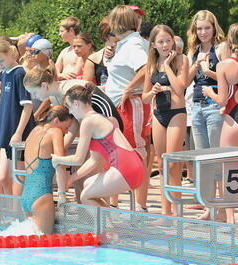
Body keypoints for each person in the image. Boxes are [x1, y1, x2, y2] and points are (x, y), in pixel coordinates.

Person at [52, 84, 144, 207]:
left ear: (76, 103)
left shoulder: (88, 121)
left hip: (125, 170)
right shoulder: (101, 117)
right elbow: (94, 161)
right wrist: (72, 179)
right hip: (134, 167)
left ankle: (105, 226)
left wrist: (56, 159)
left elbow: (78, 159)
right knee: (87, 184)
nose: (70, 112)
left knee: (85, 196)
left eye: (69, 107)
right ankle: (107, 223)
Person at [106, 5, 150, 211]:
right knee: (123, 153)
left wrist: (128, 89)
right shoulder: (125, 43)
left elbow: (145, 68)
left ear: (118, 23)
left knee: (136, 152)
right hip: (120, 106)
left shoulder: (133, 44)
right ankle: (131, 204)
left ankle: (139, 206)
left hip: (130, 105)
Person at [142, 25, 188, 216]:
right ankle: (165, 212)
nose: (165, 45)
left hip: (176, 113)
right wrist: (152, 92)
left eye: (168, 41)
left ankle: (177, 211)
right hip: (159, 114)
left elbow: (180, 88)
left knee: (173, 163)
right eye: (160, 42)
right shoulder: (150, 65)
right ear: (153, 44)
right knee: (161, 164)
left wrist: (168, 66)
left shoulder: (181, 60)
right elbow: (144, 97)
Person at [186, 10, 227, 220]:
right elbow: (185, 81)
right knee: (203, 160)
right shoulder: (193, 50)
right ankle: (209, 206)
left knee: (217, 158)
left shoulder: (221, 48)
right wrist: (195, 65)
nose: (203, 32)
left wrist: (207, 69)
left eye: (206, 28)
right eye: (199, 28)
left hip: (214, 106)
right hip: (197, 106)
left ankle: (221, 206)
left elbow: (228, 78)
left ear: (214, 28)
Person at [201, 23, 238, 223]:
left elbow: (222, 100)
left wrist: (209, 92)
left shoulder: (225, 66)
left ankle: (230, 217)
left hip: (233, 119)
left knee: (229, 169)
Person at [0, 39, 35, 195]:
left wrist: (19, 133)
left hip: (18, 131)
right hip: (6, 129)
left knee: (19, 175)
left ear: (10, 53)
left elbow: (27, 106)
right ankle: (10, 210)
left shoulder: (19, 73)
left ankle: (18, 212)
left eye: (1, 60)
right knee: (3, 178)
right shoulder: (4, 74)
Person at [22, 105, 70, 234]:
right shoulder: (55, 131)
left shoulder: (34, 130)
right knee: (43, 246)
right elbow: (60, 163)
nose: (66, 131)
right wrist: (62, 194)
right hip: (42, 196)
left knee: (29, 244)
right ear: (56, 121)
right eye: (66, 127)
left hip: (26, 195)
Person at [83, 17, 117, 86]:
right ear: (105, 36)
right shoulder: (93, 59)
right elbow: (86, 87)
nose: (119, 36)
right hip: (103, 95)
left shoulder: (126, 52)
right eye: (114, 34)